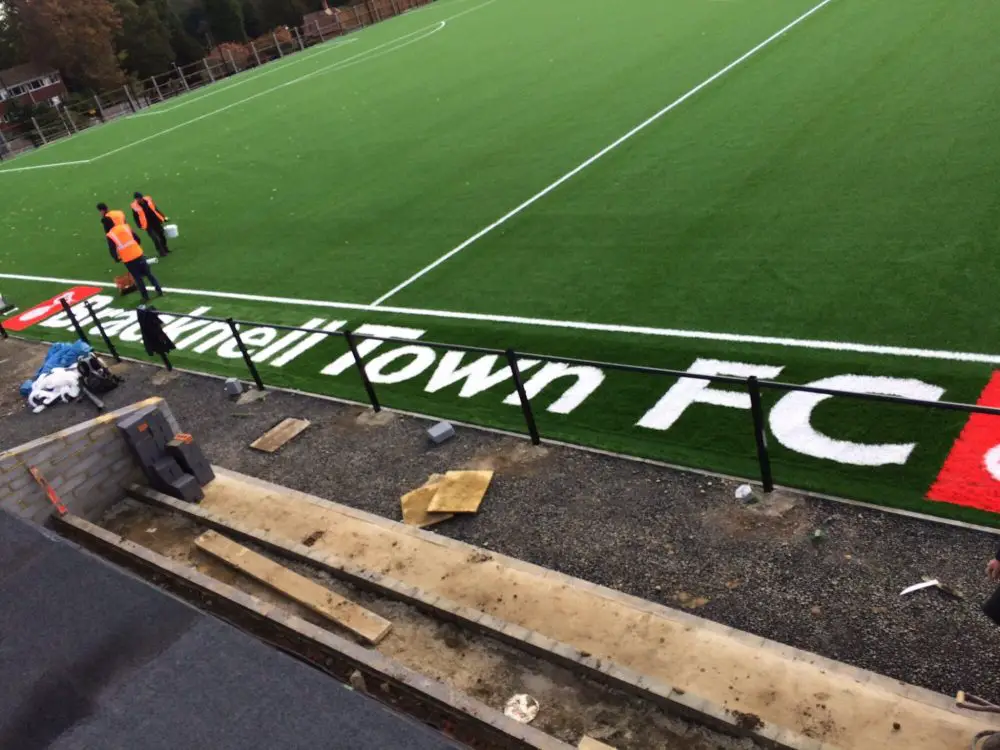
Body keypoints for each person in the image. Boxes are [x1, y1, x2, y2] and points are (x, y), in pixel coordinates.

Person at [107, 221, 163, 301]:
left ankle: (145, 297)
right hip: (138, 254)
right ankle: (159, 290)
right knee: (149, 274)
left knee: (138, 278)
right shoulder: (125, 227)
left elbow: (112, 249)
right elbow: (137, 238)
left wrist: (116, 258)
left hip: (128, 259)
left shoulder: (110, 235)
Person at [131, 192, 170, 257]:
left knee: (161, 235)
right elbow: (135, 217)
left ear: (142, 197)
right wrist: (139, 225)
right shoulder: (135, 207)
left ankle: (165, 248)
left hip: (155, 220)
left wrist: (163, 217)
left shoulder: (149, 200)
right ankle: (161, 252)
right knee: (155, 238)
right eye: (137, 199)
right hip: (147, 224)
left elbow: (155, 209)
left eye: (139, 198)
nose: (139, 200)